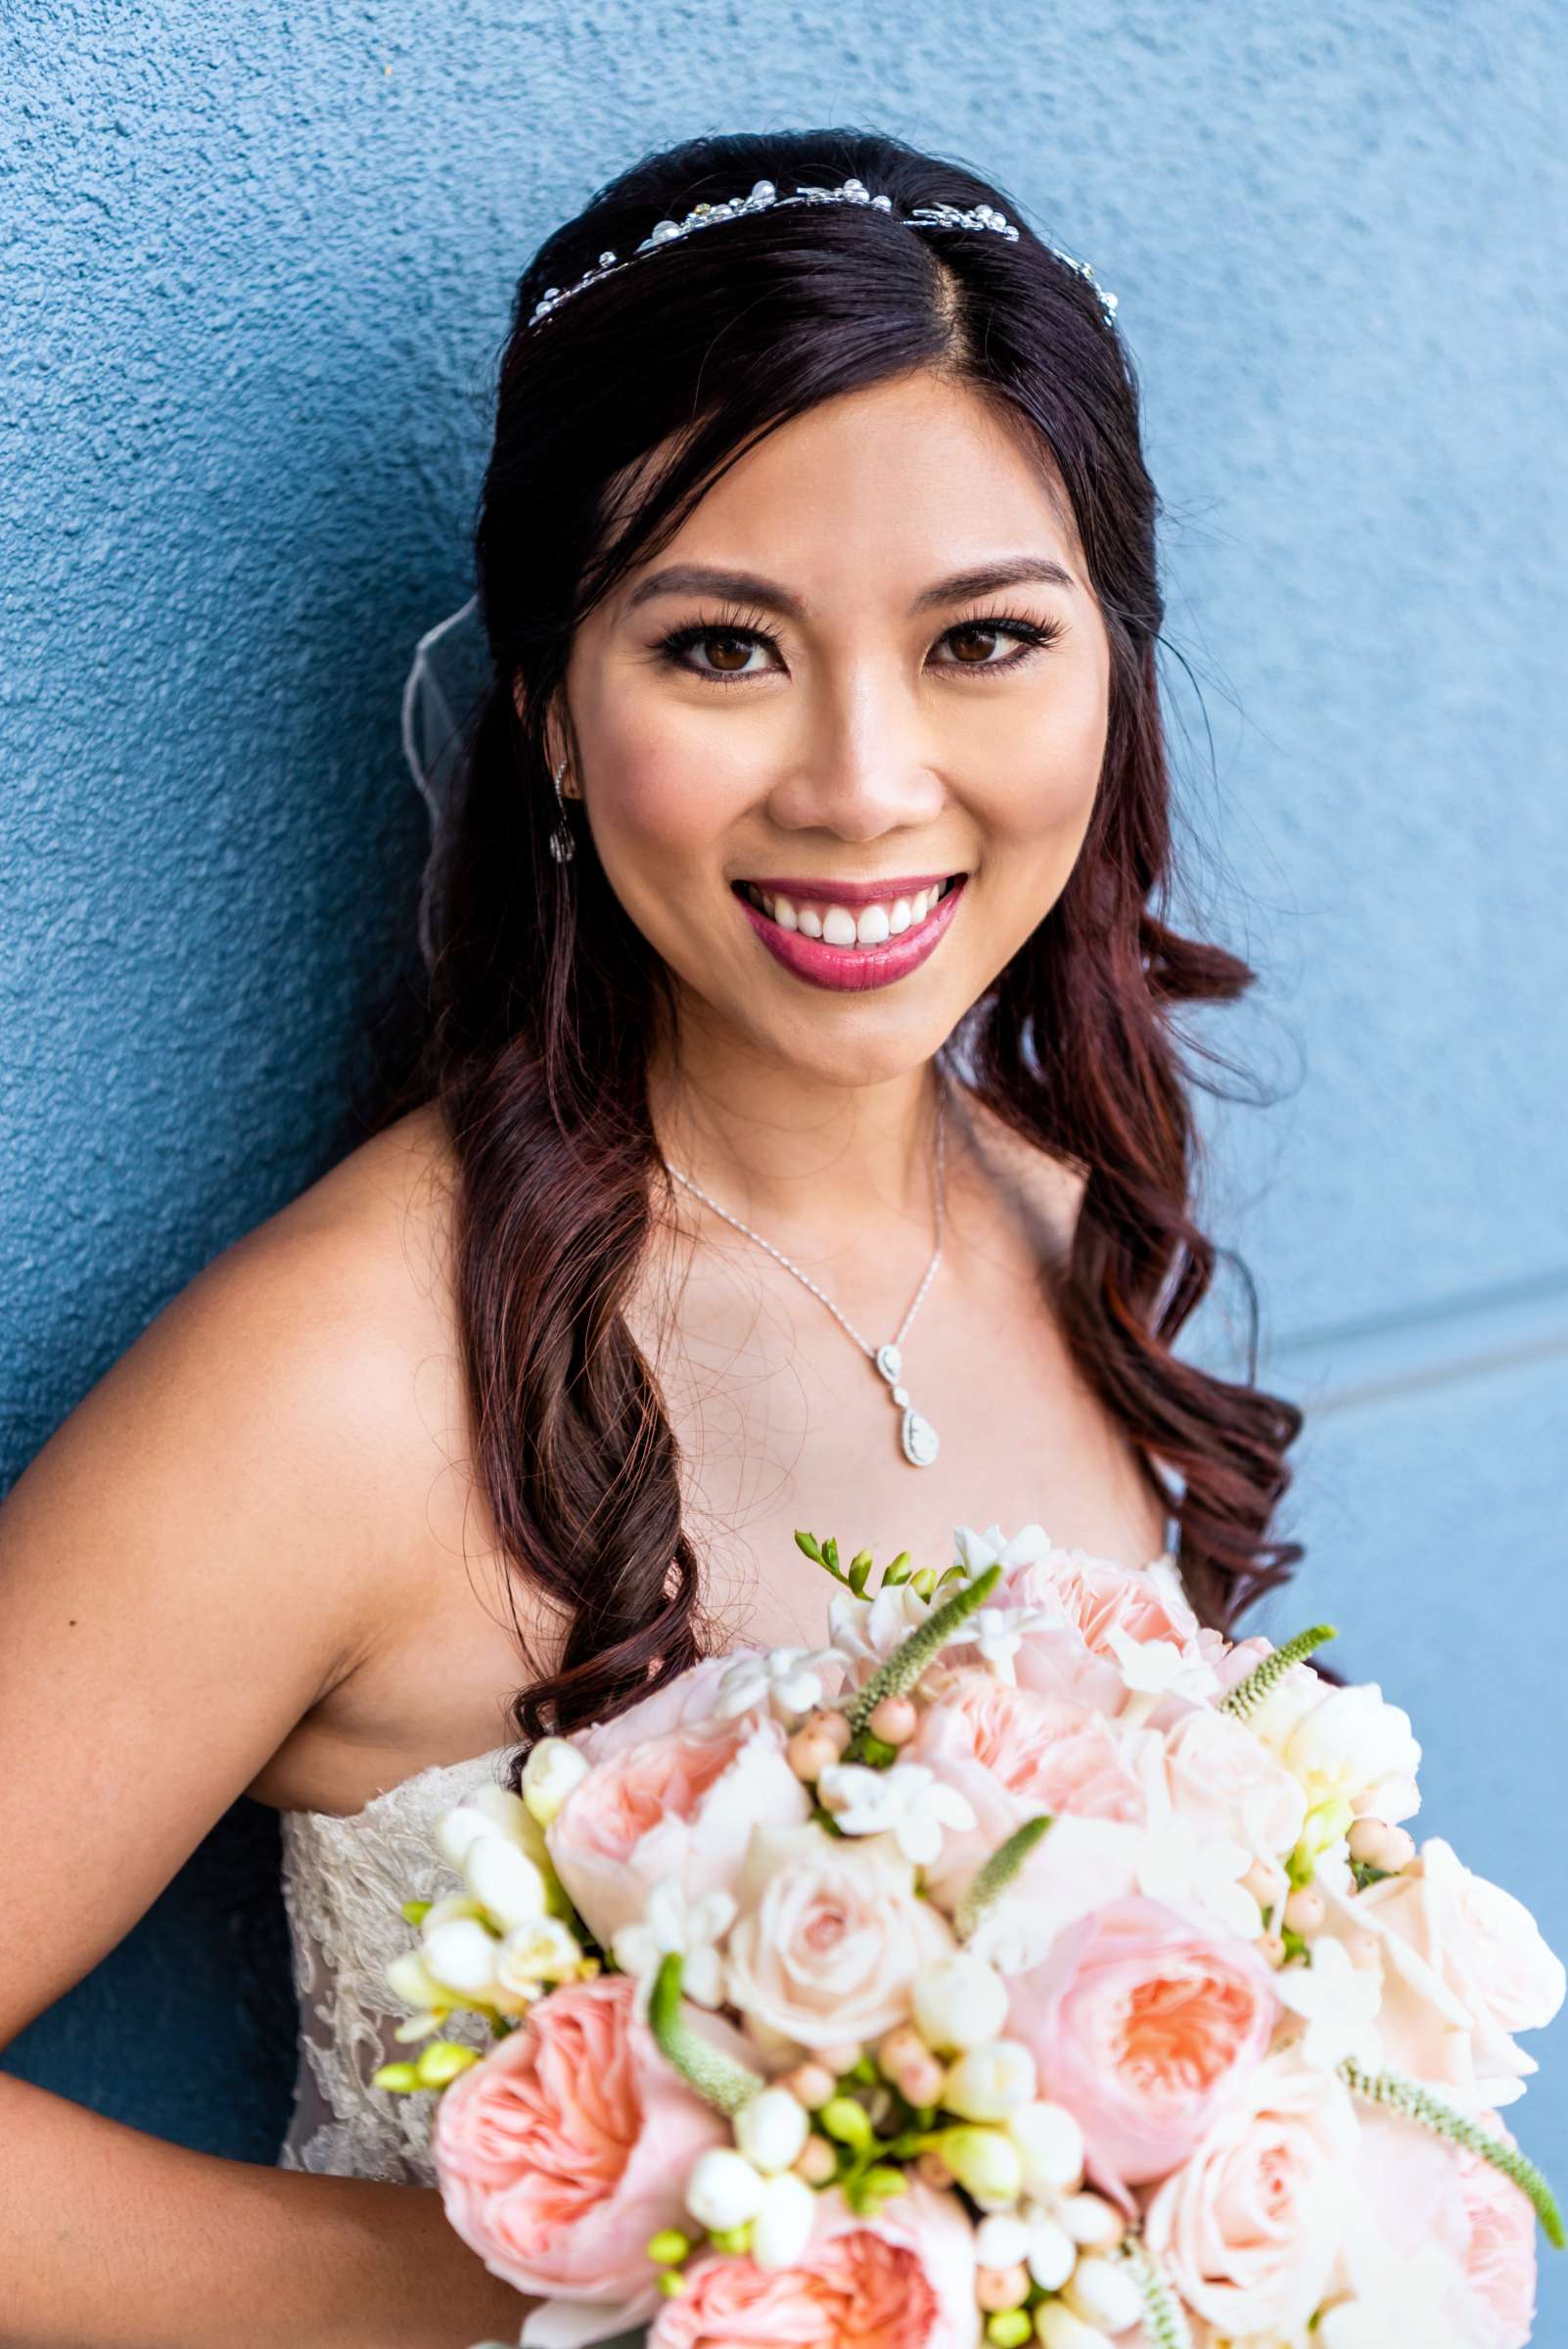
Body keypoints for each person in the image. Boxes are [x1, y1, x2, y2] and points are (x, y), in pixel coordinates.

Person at [0, 124, 1304, 2348]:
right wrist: (546, 2285)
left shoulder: (1073, 1232)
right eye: (723, 649)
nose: (867, 780)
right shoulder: (345, 1376)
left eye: (984, 638)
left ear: (1113, 672)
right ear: (550, 715)